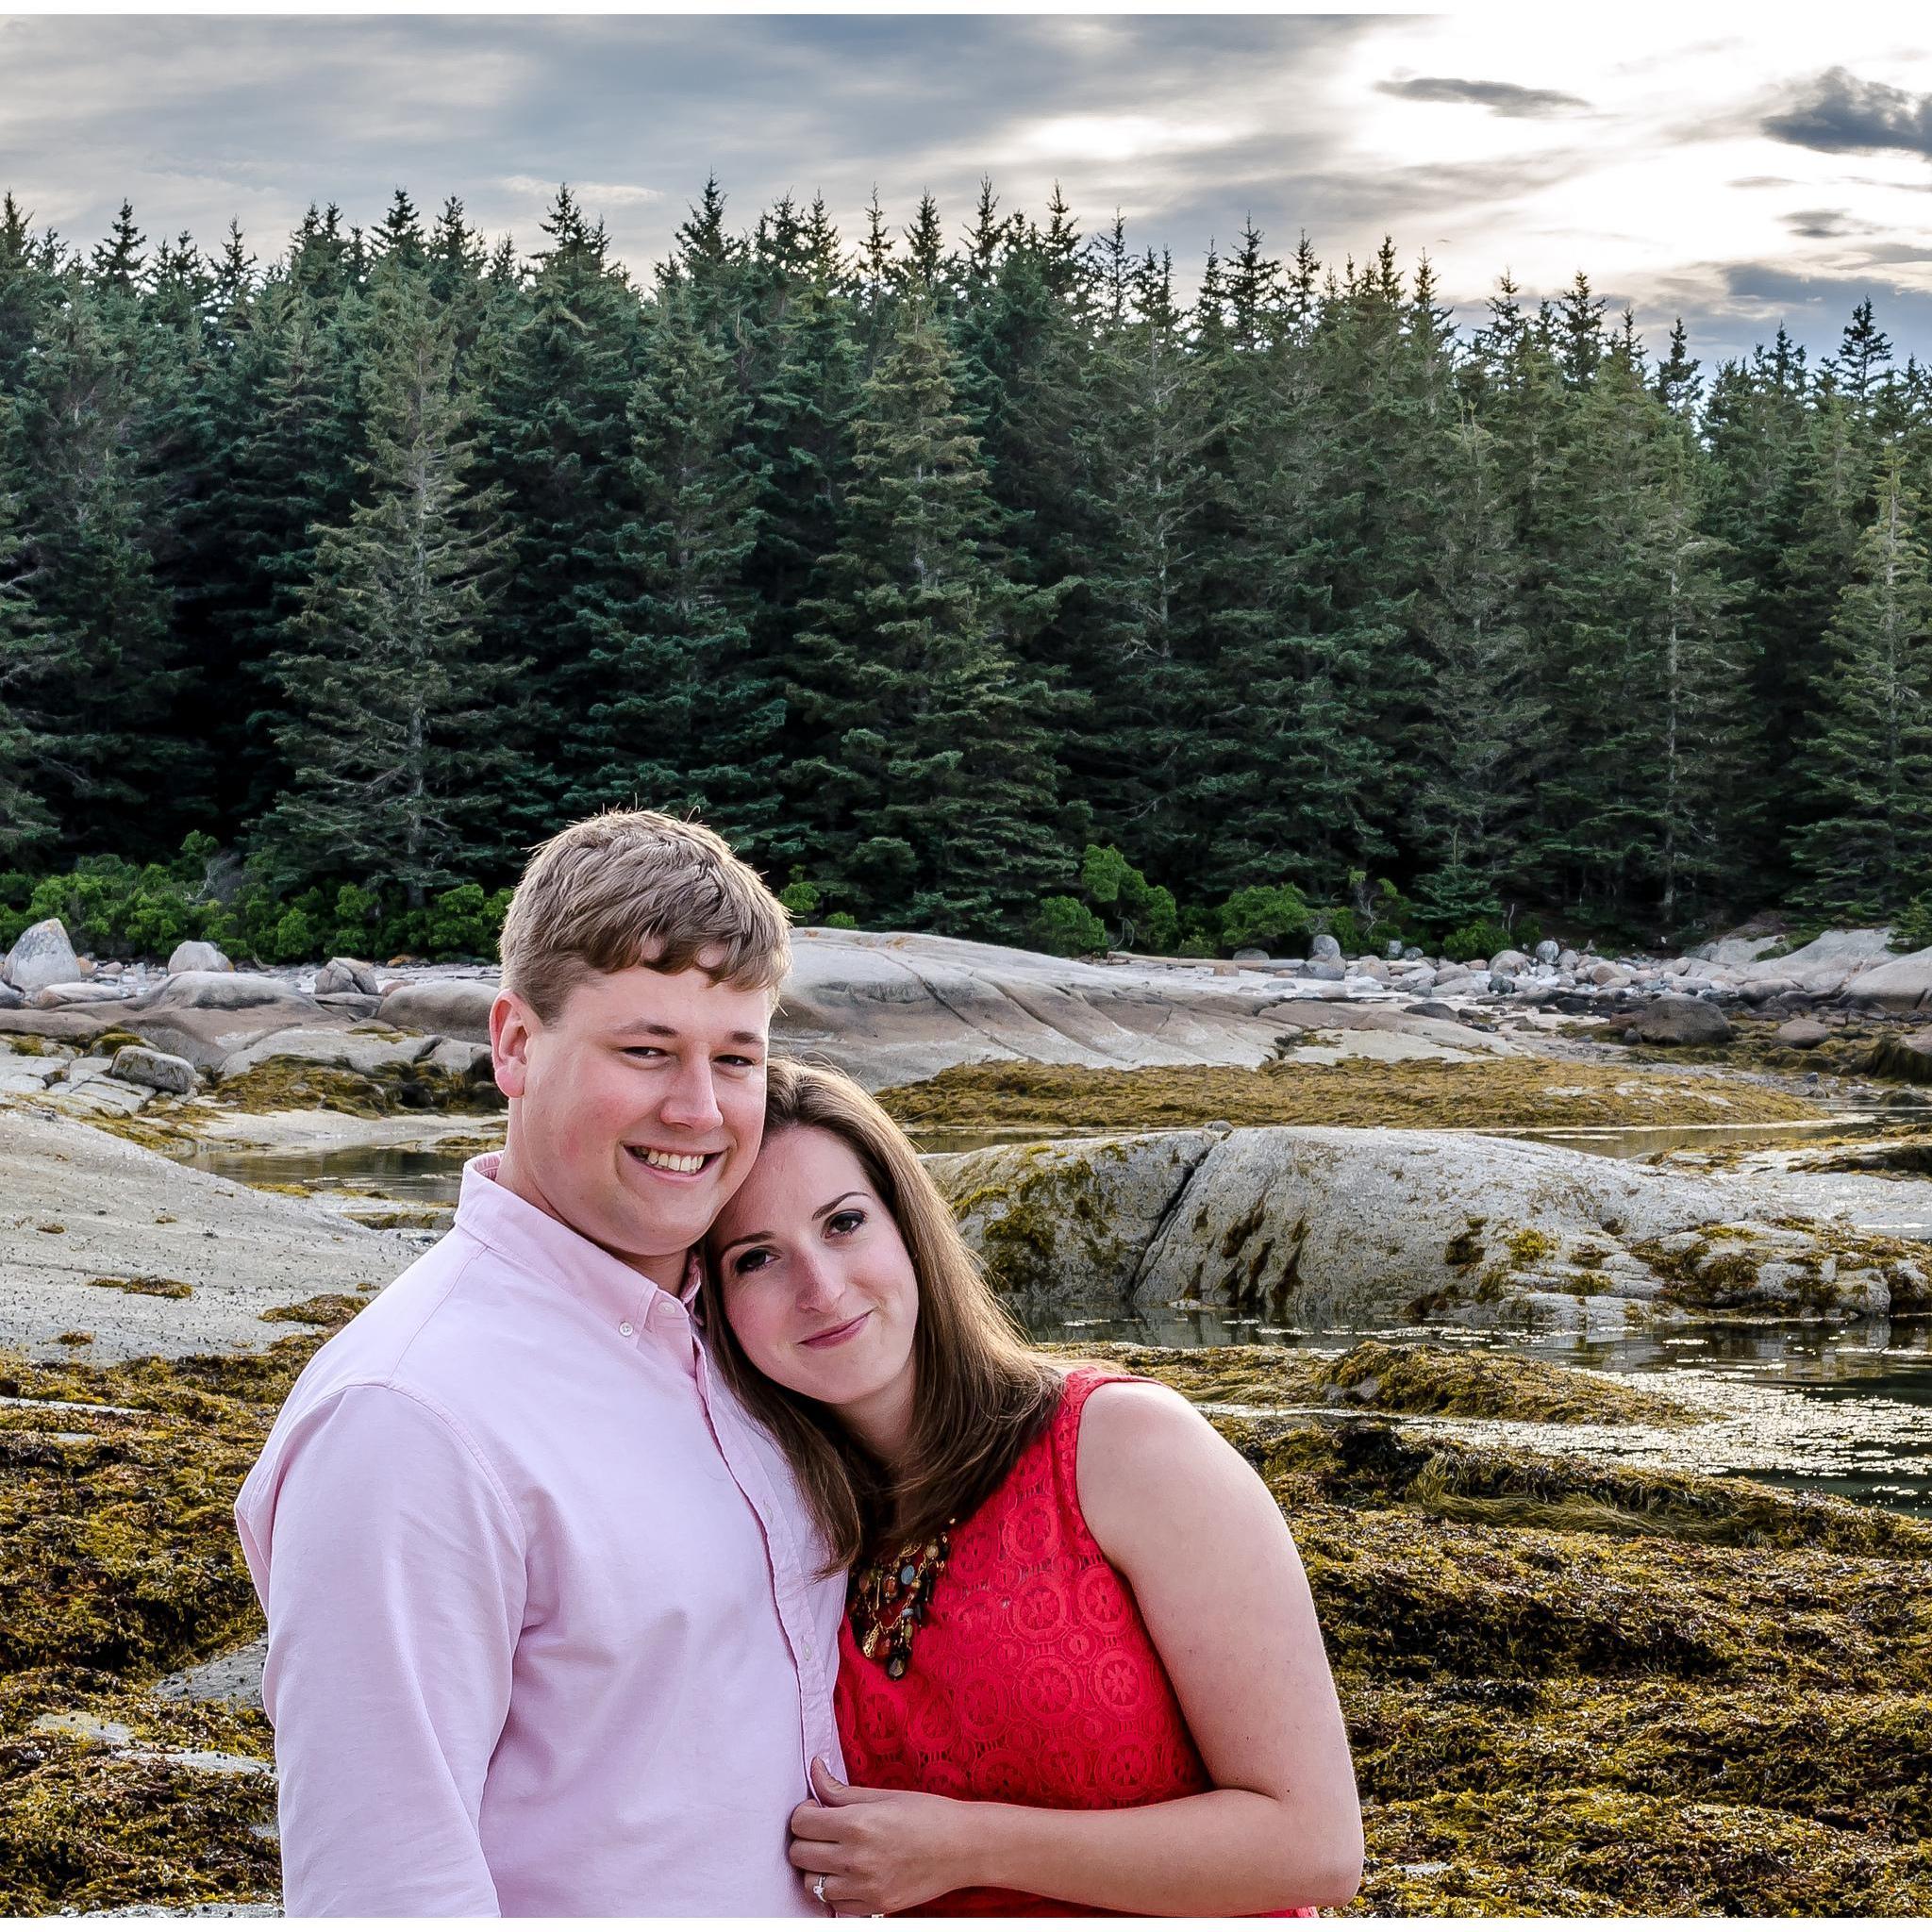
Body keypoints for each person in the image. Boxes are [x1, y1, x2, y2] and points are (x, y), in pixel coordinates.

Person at [235, 810, 846, 1916]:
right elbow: (387, 1892)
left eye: (737, 1058)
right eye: (646, 1050)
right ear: (513, 1044)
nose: (699, 1110)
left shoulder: (743, 1334)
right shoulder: (408, 1420)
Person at [702, 1059, 1364, 1917]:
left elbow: (1312, 1847)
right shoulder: (778, 1520)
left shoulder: (1123, 1448)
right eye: (756, 1258)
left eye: (845, 1223)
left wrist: (968, 1846)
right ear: (711, 1301)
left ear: (909, 1228)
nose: (821, 1290)